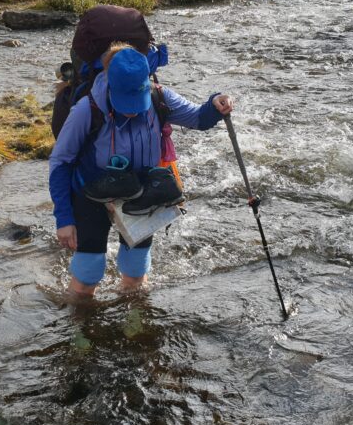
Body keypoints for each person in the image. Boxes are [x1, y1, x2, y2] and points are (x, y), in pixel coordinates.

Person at [48, 43, 233, 297]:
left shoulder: (159, 98)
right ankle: (80, 319)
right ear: (110, 86)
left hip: (141, 193)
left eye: (138, 102)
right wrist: (64, 218)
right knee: (88, 273)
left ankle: (135, 317)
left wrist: (215, 104)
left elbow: (198, 118)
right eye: (126, 103)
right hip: (91, 192)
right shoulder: (86, 110)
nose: (134, 110)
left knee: (136, 271)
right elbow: (60, 163)